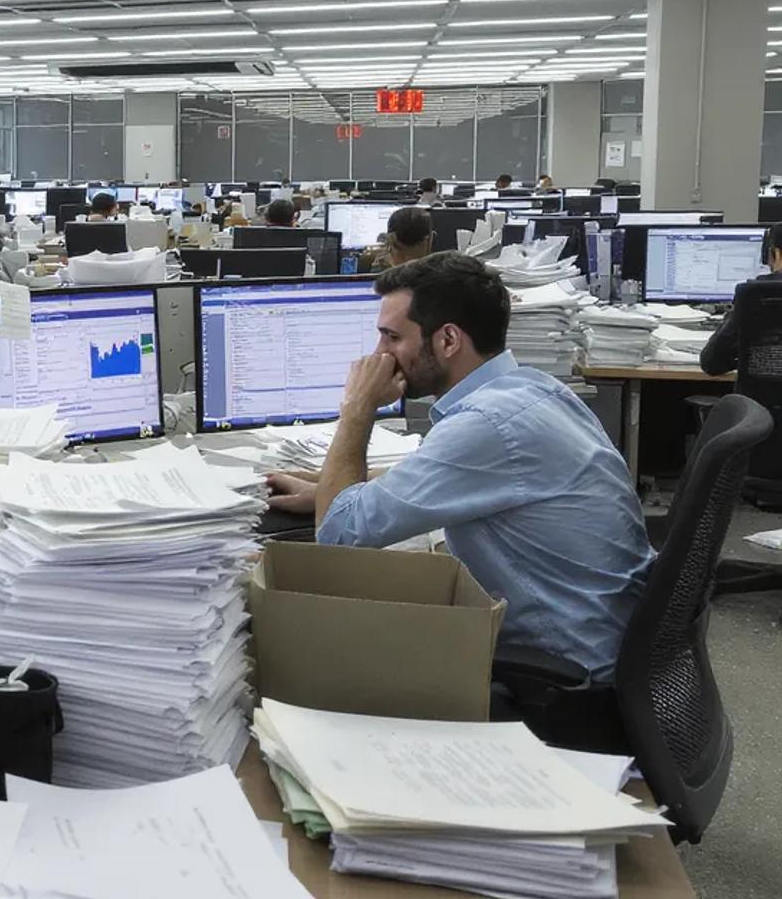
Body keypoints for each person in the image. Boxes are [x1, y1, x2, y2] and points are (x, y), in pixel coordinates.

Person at [264, 253, 651, 685]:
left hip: (560, 671)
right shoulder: (535, 390)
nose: (379, 354)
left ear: (448, 340)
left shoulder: (485, 426)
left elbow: (337, 536)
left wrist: (357, 409)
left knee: (301, 651)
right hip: (604, 639)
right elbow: (431, 471)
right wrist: (325, 490)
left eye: (392, 337)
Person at [699, 223, 782, 376]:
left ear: (772, 254)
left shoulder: (755, 293)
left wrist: (744, 360)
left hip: (757, 398)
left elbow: (711, 362)